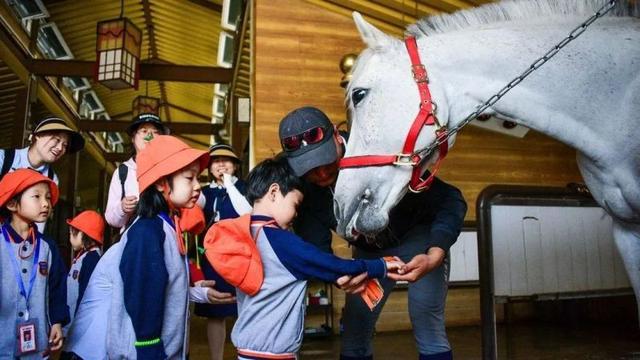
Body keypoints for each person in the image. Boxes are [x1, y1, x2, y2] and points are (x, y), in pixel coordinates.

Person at [278, 106, 467, 360]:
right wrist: (338, 275)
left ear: (336, 136)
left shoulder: (378, 152)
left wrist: (435, 253)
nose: (321, 173)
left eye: (325, 160)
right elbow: (316, 243)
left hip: (419, 241)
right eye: (309, 169)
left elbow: (450, 199)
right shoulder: (303, 187)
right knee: (355, 327)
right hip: (369, 253)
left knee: (425, 318)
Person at [204, 157, 402, 360]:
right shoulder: (281, 241)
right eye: (295, 205)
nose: (296, 214)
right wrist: (381, 265)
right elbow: (330, 264)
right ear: (274, 193)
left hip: (247, 352)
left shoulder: (245, 236)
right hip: (272, 354)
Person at [65, 135, 234, 359]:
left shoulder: (166, 227)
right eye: (189, 179)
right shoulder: (147, 232)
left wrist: (201, 294)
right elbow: (141, 293)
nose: (197, 187)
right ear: (161, 183)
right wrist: (149, 345)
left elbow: (162, 287)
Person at [0, 169, 69, 358]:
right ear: (13, 203)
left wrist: (56, 322)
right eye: (37, 197)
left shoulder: (48, 247)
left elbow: (57, 287)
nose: (46, 203)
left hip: (36, 346)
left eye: (47, 197)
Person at [195, 143, 250, 360]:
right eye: (216, 161)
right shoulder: (204, 192)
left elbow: (246, 212)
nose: (221, 165)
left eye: (226, 161)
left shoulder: (246, 188)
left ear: (235, 166)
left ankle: (244, 355)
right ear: (209, 168)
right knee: (215, 313)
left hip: (241, 258)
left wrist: (229, 184)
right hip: (212, 259)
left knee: (244, 310)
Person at [0, 116, 85, 231]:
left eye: (65, 145)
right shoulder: (4, 158)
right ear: (38, 135)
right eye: (56, 139)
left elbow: (39, 221)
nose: (60, 148)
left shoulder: (51, 178)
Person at [104, 113, 169, 230]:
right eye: (144, 131)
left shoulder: (168, 168)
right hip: (133, 240)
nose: (150, 136)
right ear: (133, 138)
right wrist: (122, 208)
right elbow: (111, 219)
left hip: (164, 236)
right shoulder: (122, 172)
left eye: (155, 132)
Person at [62, 210, 105, 337]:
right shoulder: (85, 256)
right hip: (72, 324)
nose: (69, 237)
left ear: (83, 234)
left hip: (78, 327)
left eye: (71, 233)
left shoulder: (90, 260)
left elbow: (85, 296)